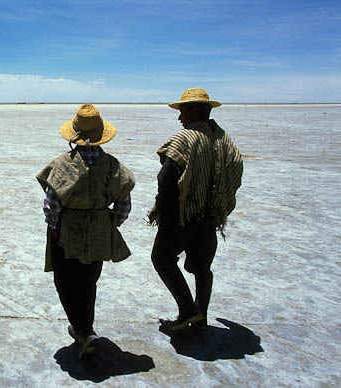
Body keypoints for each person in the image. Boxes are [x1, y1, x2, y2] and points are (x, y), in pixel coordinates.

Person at [36, 104, 135, 358]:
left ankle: (83, 331)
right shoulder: (113, 166)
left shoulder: (61, 165)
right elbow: (123, 204)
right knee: (88, 281)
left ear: (75, 135)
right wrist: (108, 224)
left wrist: (56, 229)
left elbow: (51, 205)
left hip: (67, 232)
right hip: (100, 231)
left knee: (64, 281)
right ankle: (85, 328)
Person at [148, 88, 243, 331]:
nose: (179, 118)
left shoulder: (185, 138)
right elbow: (235, 175)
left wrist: (166, 215)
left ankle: (188, 310)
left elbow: (167, 179)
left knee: (162, 258)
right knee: (202, 268)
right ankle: (202, 315)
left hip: (183, 215)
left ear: (194, 110)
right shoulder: (226, 140)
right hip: (210, 216)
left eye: (182, 111)